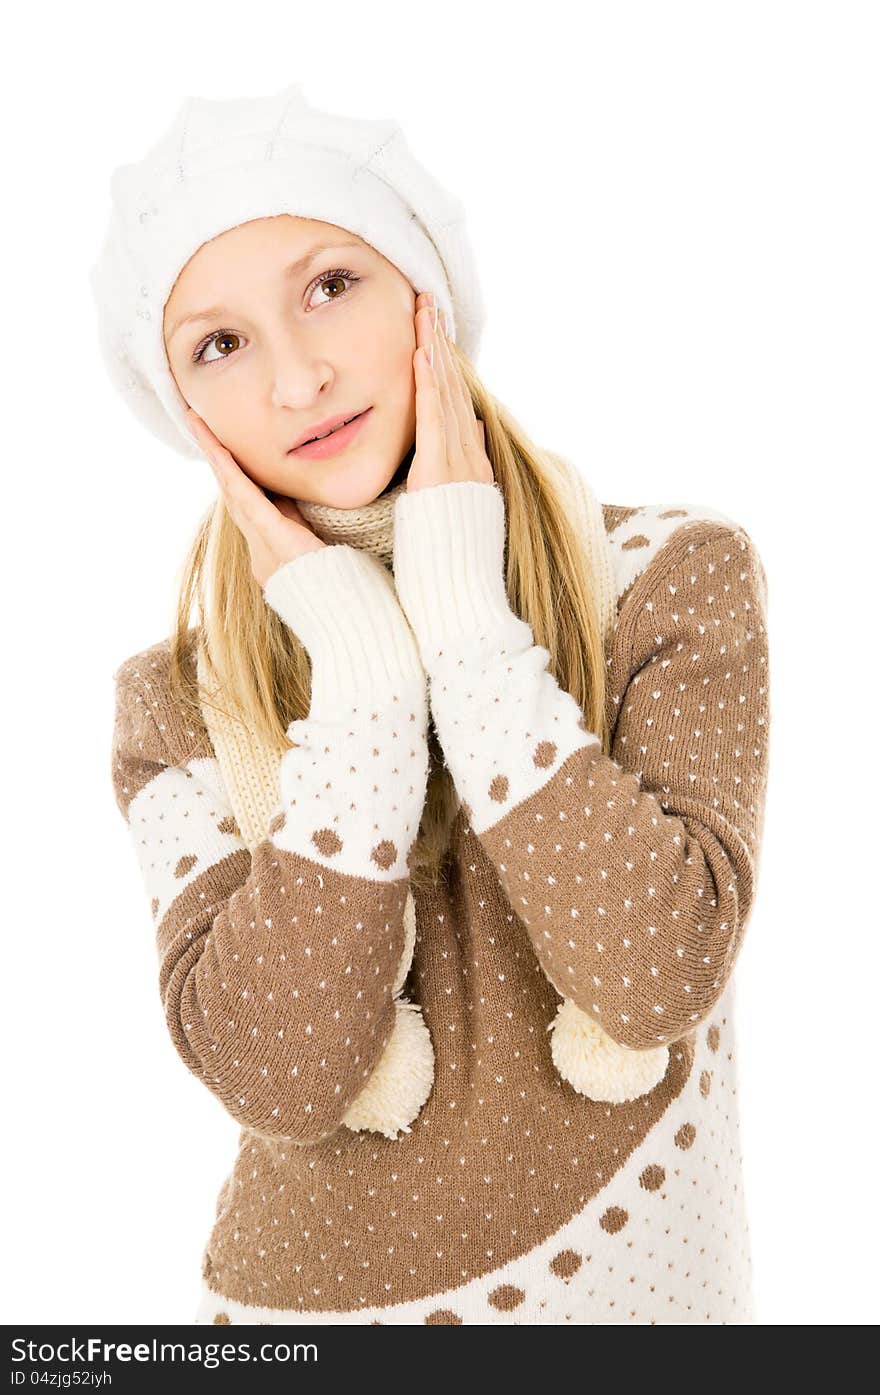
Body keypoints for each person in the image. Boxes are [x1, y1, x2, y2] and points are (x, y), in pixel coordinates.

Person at [92, 81, 772, 1326]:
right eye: (221, 343)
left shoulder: (669, 576)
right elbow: (283, 1077)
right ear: (183, 407)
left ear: (425, 293)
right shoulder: (175, 704)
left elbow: (655, 980)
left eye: (330, 284)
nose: (298, 378)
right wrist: (360, 684)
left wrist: (465, 623)